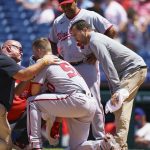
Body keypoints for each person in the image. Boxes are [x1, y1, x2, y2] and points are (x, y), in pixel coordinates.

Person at [27, 38, 120, 150]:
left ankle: (35, 145)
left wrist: (33, 77)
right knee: (77, 147)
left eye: (34, 53)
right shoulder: (64, 62)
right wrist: (57, 122)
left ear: (38, 50)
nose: (34, 56)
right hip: (89, 103)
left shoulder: (44, 62)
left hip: (76, 99)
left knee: (32, 101)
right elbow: (62, 94)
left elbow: (34, 92)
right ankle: (103, 145)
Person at [70, 20, 147, 150]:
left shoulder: (94, 41)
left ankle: (119, 145)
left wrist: (116, 90)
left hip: (133, 70)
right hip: (133, 71)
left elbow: (107, 65)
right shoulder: (96, 39)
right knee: (121, 108)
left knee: (120, 105)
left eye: (75, 34)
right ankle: (121, 146)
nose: (74, 38)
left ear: (84, 30)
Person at [48, 0, 117, 140]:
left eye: (69, 4)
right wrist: (57, 57)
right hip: (68, 67)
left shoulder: (89, 16)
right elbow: (52, 42)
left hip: (87, 64)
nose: (66, 7)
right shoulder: (58, 21)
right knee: (70, 101)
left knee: (95, 101)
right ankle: (76, 139)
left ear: (75, 1)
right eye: (63, 5)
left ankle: (100, 138)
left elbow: (111, 31)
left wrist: (97, 52)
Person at [0, 40, 60, 150]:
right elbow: (23, 75)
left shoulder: (6, 65)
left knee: (5, 144)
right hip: (3, 111)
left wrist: (31, 75)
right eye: (19, 49)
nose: (22, 53)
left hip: (8, 116)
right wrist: (43, 61)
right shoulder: (4, 59)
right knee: (4, 145)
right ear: (8, 48)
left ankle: (21, 143)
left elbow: (17, 92)